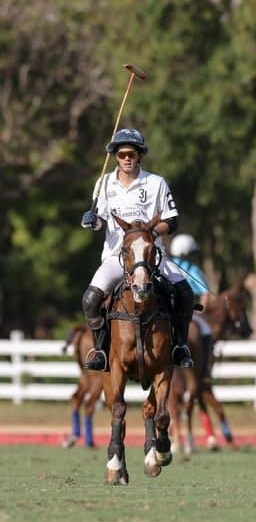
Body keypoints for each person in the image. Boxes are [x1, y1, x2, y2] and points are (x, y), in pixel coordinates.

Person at [79, 127, 195, 371]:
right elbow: (101, 222)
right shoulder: (104, 183)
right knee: (90, 300)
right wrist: (92, 221)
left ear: (140, 155)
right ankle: (100, 351)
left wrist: (150, 234)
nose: (127, 158)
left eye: (132, 153)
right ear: (116, 156)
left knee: (184, 292)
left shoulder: (156, 183)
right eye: (122, 154)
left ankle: (180, 346)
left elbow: (172, 221)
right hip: (115, 257)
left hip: (151, 256)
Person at [170, 233, 215, 370]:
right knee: (206, 329)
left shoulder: (166, 266)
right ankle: (205, 366)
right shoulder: (191, 269)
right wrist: (200, 311)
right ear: (186, 253)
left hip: (165, 309)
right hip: (185, 310)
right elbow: (205, 293)